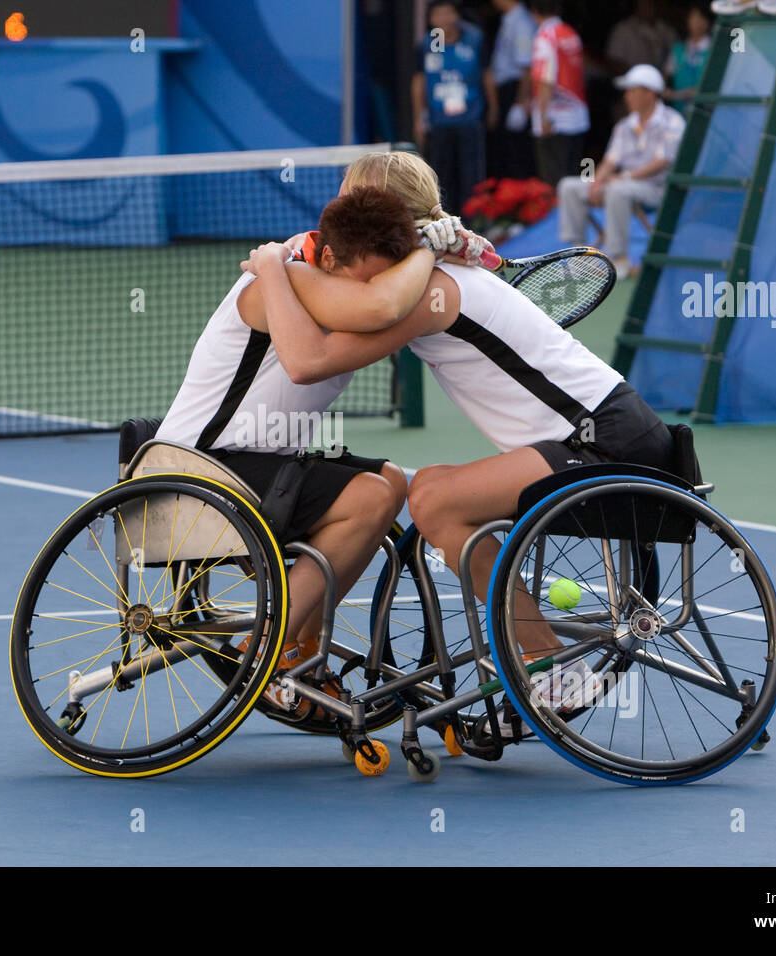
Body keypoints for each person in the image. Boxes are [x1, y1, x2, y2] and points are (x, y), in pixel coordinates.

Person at [242, 151, 678, 709]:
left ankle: (545, 662)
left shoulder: (429, 293)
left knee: (435, 500)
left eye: (352, 211)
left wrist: (275, 268)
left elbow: (314, 356)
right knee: (433, 486)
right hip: (612, 432)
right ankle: (524, 651)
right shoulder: (440, 271)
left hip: (602, 441)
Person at [156, 187, 464, 719]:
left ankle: (296, 647)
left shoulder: (315, 268)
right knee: (368, 496)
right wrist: (431, 250)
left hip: (256, 470)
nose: (366, 289)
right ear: (326, 257)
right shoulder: (288, 280)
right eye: (359, 277)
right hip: (199, 469)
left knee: (390, 482)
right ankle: (267, 657)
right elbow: (383, 305)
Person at [555, 63, 684, 278]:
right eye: (627, 91)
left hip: (659, 189)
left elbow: (662, 161)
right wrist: (597, 183)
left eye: (633, 90)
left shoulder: (673, 122)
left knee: (618, 189)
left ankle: (618, 258)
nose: (627, 96)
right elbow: (610, 160)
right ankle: (577, 255)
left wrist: (621, 178)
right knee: (568, 186)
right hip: (623, 184)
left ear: (650, 93)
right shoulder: (624, 125)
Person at [412, 0, 496, 213]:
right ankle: (444, 222)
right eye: (438, 15)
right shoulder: (427, 45)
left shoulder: (474, 39)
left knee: (473, 176)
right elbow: (418, 82)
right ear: (430, 20)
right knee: (441, 176)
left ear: (456, 15)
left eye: (448, 13)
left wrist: (493, 107)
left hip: (470, 119)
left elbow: (487, 74)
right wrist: (419, 118)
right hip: (439, 122)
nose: (444, 20)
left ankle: (475, 223)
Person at [527, 0, 589, 188]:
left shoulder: (545, 36)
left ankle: (560, 218)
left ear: (534, 12)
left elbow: (545, 80)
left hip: (555, 120)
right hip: (577, 116)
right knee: (574, 178)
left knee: (554, 183)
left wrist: (544, 116)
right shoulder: (570, 33)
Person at [487, 0, 537, 180]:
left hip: (515, 89)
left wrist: (520, 102)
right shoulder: (508, 19)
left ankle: (522, 196)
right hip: (505, 88)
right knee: (506, 148)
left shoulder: (522, 22)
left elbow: (527, 68)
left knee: (517, 149)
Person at [606, 0, 680, 80]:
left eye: (650, 3)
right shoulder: (623, 29)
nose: (647, 7)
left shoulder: (667, 30)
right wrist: (635, 77)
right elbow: (613, 61)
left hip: (661, 82)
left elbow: (678, 57)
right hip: (631, 82)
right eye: (643, 3)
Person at [664, 4, 713, 115]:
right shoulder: (678, 49)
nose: (697, 22)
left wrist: (675, 94)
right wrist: (664, 91)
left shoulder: (713, 49)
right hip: (678, 111)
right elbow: (666, 75)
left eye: (701, 18)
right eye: (693, 18)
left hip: (705, 111)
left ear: (707, 23)